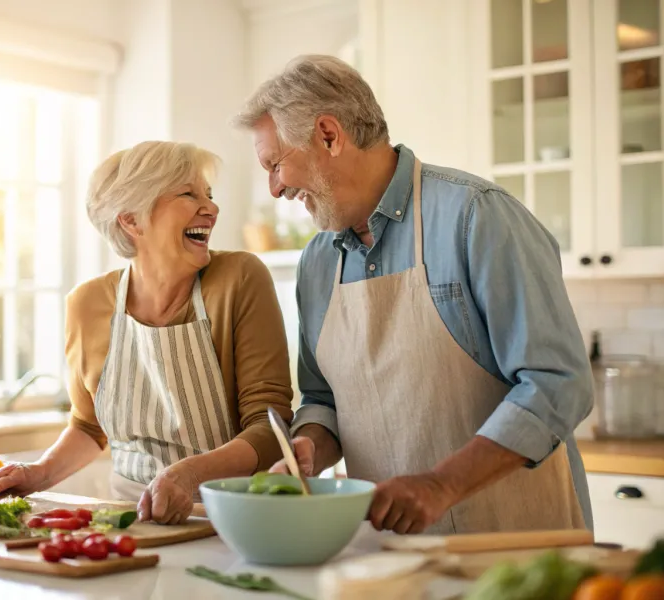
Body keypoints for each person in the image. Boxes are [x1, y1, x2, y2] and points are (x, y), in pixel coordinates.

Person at [231, 55, 593, 535]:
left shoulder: (477, 218)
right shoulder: (317, 263)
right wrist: (310, 448)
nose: (275, 189)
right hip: (390, 557)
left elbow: (558, 384)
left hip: (515, 546)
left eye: (275, 165)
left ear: (328, 135)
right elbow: (322, 399)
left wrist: (441, 485)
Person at [0, 141, 294, 524]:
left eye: (209, 195)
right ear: (131, 220)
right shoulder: (87, 304)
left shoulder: (239, 279)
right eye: (188, 194)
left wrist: (187, 474)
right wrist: (37, 473)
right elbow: (88, 427)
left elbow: (270, 427)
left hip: (236, 518)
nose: (212, 208)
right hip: (133, 520)